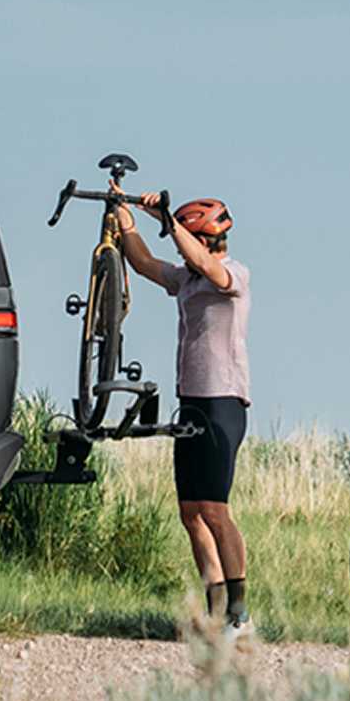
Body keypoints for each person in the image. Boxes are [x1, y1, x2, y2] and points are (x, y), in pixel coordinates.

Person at [117, 193, 250, 635]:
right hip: (191, 401)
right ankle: (215, 609)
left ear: (202, 238)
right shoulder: (187, 281)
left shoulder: (233, 275)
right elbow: (143, 264)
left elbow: (207, 264)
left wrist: (169, 223)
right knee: (190, 511)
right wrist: (126, 220)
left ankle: (239, 613)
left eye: (184, 239)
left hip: (223, 401)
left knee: (215, 509)